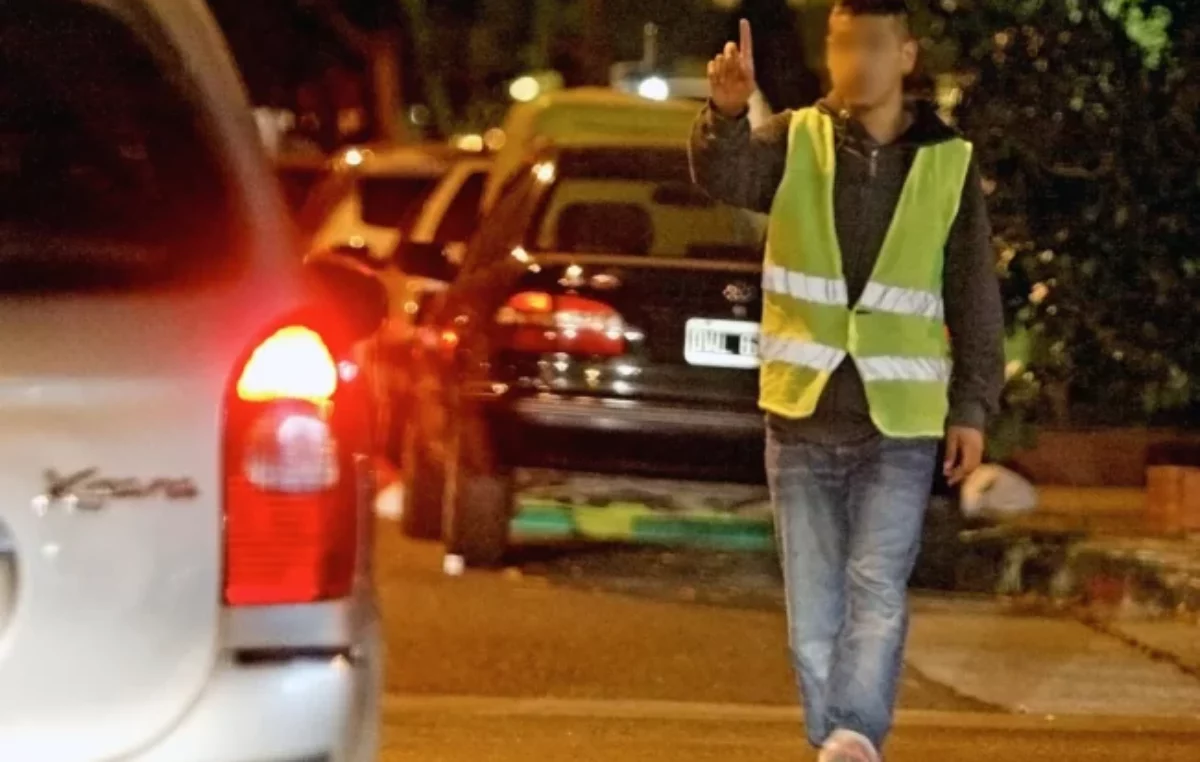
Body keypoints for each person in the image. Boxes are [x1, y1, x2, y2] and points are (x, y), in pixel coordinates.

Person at [690, 3, 1004, 761]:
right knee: (813, 609)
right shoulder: (795, 140)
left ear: (904, 55)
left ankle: (855, 733)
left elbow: (973, 293)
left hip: (900, 420)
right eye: (841, 46)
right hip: (801, 418)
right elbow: (726, 175)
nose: (854, 62)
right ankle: (837, 734)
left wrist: (972, 408)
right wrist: (725, 113)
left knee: (876, 587)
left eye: (870, 46)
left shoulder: (948, 161)